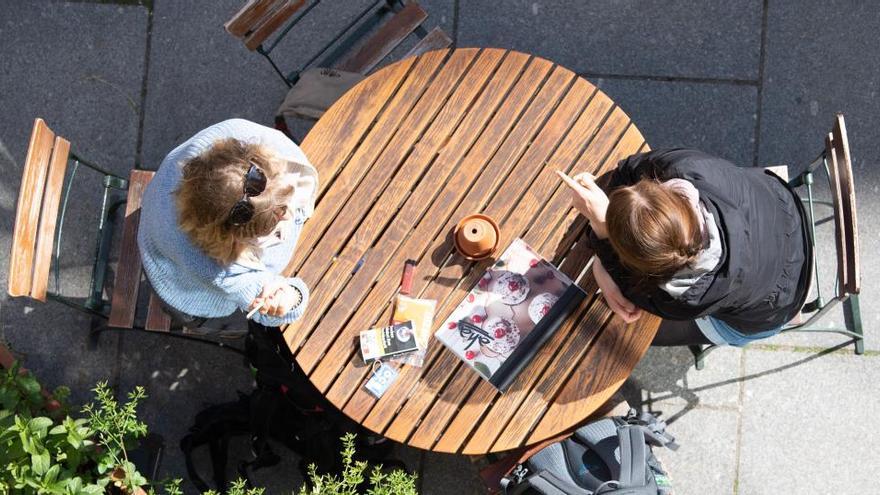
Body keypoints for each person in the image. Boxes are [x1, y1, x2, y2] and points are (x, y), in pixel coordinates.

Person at [559, 149, 811, 347]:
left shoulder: (688, 296)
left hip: (773, 309)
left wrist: (603, 235)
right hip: (782, 209)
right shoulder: (685, 168)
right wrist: (609, 241)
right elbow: (630, 167)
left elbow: (635, 294)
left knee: (625, 332)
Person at [138, 119, 318, 327]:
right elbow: (273, 314)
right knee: (232, 325)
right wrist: (289, 296)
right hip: (181, 290)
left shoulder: (215, 161)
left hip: (156, 220)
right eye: (274, 221)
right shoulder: (223, 272)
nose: (287, 217)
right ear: (232, 240)